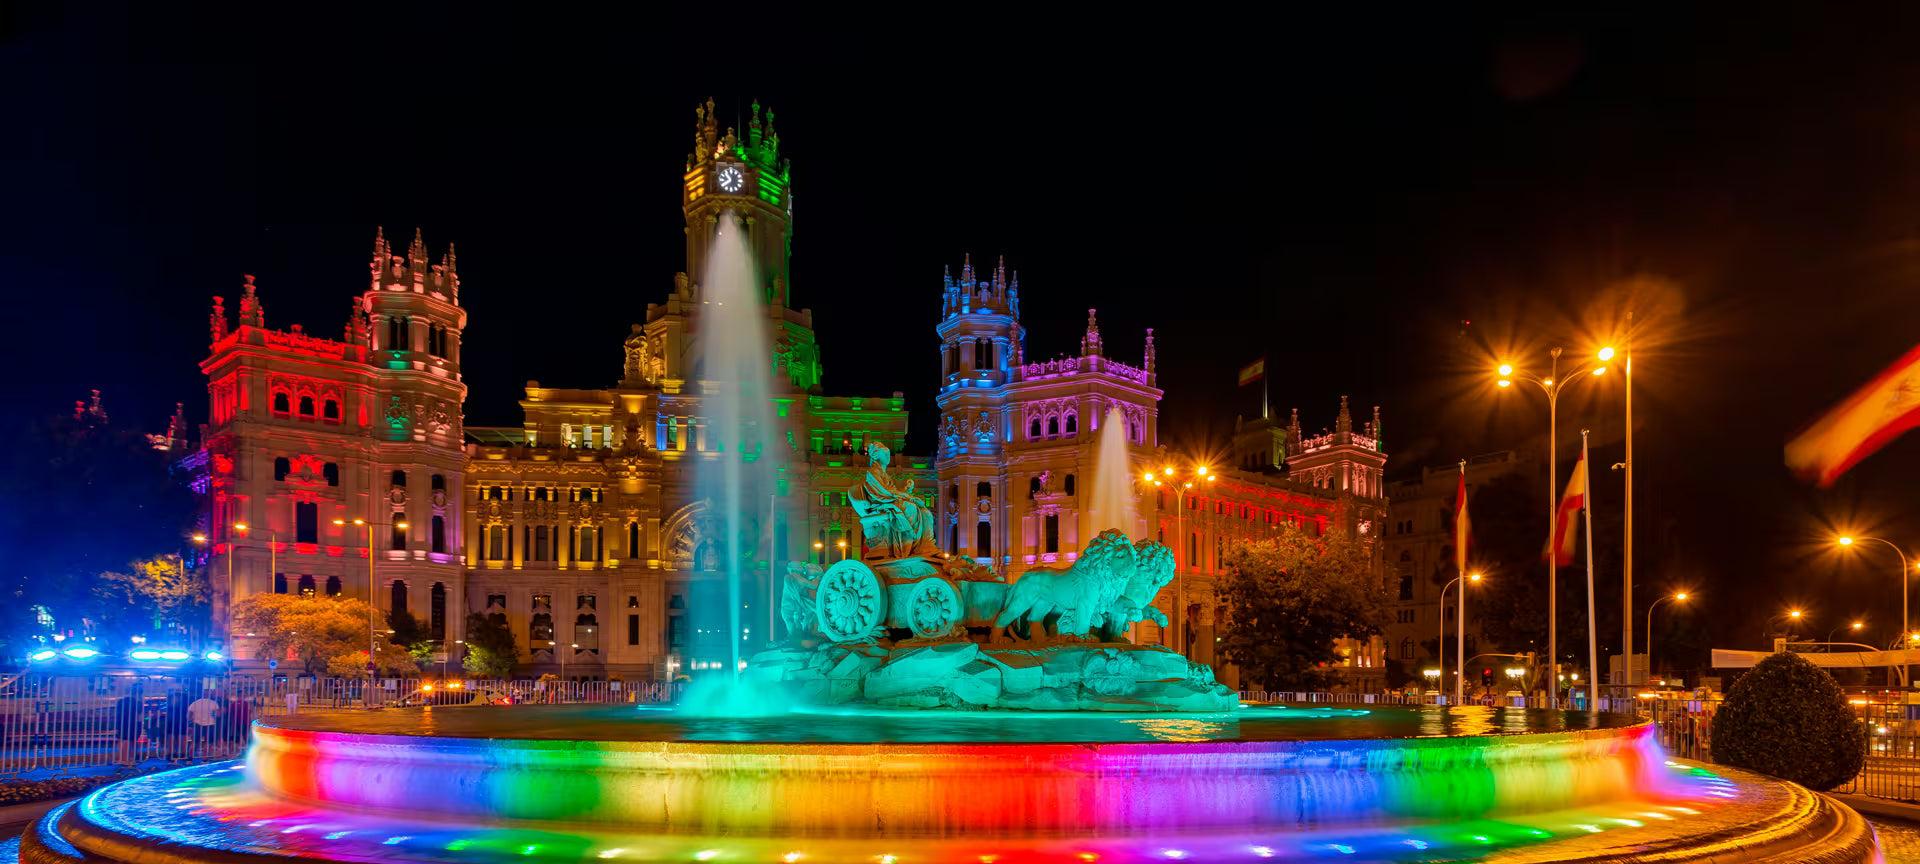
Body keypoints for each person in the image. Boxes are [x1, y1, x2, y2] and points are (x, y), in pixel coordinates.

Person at [113, 685, 144, 766]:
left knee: (122, 740)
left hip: (121, 723)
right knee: (130, 741)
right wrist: (140, 725)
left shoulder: (121, 701)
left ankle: (122, 759)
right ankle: (129, 759)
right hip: (133, 723)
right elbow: (139, 716)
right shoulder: (138, 702)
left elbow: (117, 714)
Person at [188, 691, 219, 756]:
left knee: (194, 742)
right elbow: (218, 714)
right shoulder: (213, 703)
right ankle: (204, 759)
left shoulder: (195, 703)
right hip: (210, 724)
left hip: (197, 724)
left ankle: (189, 760)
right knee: (207, 743)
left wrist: (192, 720)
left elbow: (189, 715)